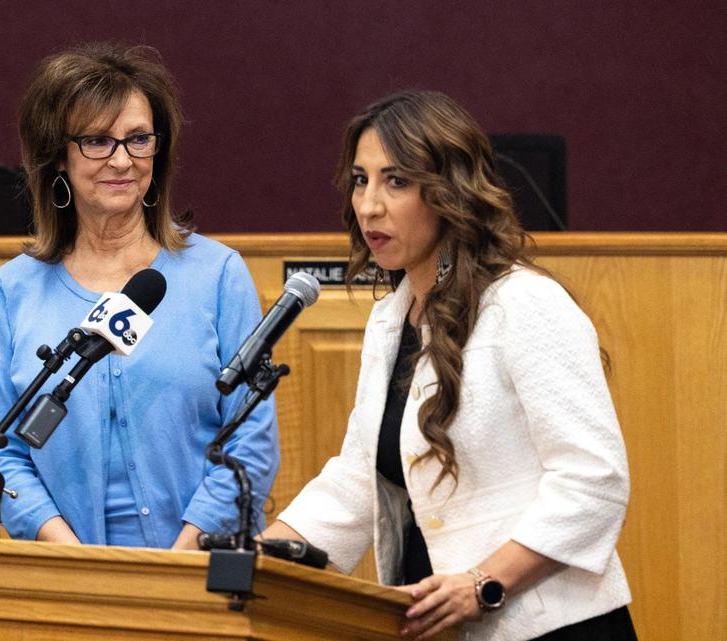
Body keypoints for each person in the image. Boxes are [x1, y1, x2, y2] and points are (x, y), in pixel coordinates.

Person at [260, 90, 636, 641]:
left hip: (551, 626)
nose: (369, 206)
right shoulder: (390, 320)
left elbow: (594, 481)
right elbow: (360, 477)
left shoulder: (525, 303)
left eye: (396, 181)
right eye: (360, 181)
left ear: (448, 192)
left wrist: (485, 582)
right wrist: (261, 558)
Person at [0, 42, 279, 551]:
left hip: (199, 571)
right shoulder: (15, 288)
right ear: (58, 159)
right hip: (72, 583)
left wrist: (182, 560)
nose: (122, 159)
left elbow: (251, 438)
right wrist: (73, 559)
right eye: (96, 140)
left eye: (138, 139)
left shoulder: (218, 274)